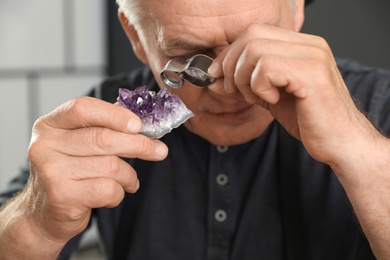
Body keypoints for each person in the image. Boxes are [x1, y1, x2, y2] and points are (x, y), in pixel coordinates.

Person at [1, 0, 390, 259]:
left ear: (296, 9)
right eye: (188, 57)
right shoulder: (105, 113)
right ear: (137, 36)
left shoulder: (381, 103)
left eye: (252, 45)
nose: (225, 89)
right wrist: (34, 225)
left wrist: (360, 154)